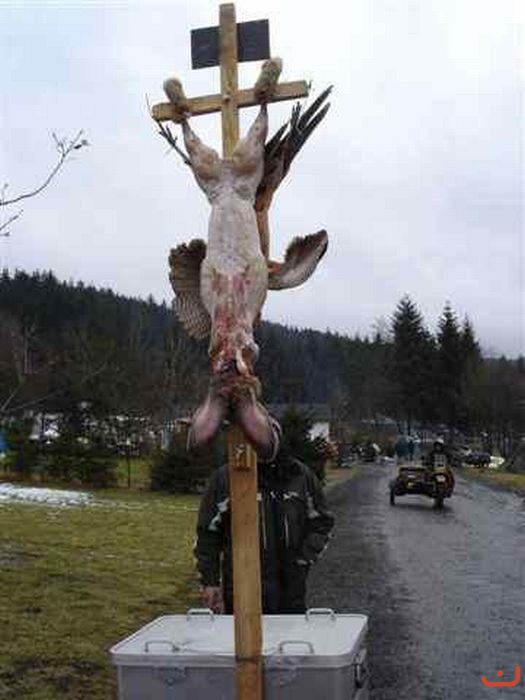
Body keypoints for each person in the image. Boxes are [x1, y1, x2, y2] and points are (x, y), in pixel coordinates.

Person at [194, 450, 335, 614]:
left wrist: (304, 558)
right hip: (241, 590)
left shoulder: (299, 475)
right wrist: (210, 581)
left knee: (290, 629)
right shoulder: (226, 477)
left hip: (291, 588)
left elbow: (322, 521)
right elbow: (207, 533)